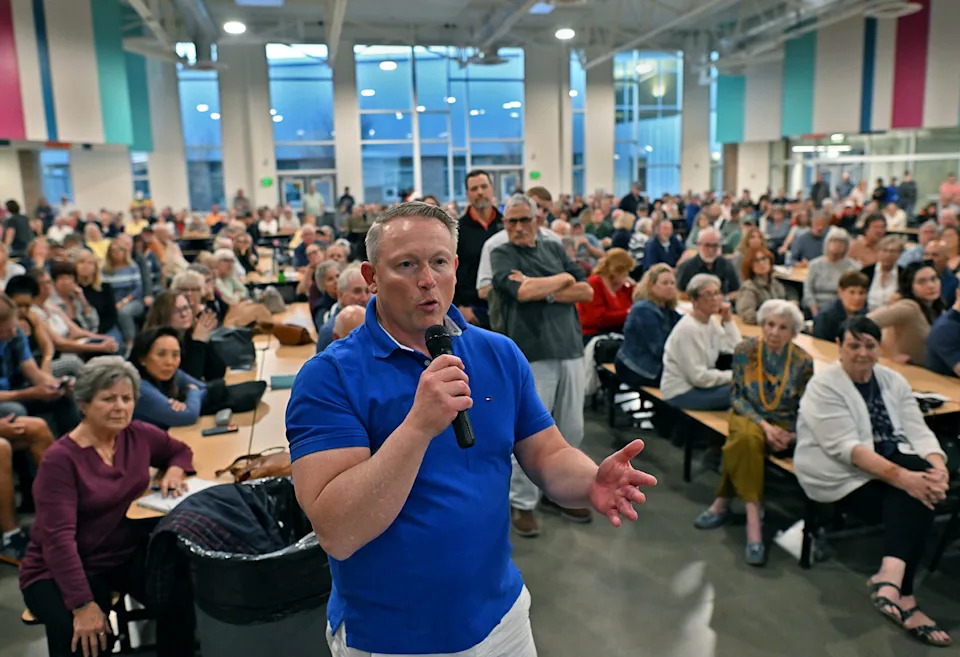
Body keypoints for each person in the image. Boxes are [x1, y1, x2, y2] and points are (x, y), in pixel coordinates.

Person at [286, 200, 655, 656]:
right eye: (406, 264)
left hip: (501, 621)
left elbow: (547, 454)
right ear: (371, 277)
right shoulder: (328, 377)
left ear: (456, 267)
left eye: (439, 262)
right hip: (391, 637)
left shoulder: (498, 354)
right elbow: (338, 531)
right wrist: (418, 426)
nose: (427, 279)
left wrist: (590, 481)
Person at [19, 356, 197, 656]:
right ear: (84, 404)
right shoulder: (60, 460)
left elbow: (180, 450)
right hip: (56, 568)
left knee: (181, 594)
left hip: (119, 555)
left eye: (127, 398)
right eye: (108, 398)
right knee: (84, 636)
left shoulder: (136, 434)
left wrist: (176, 469)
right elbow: (58, 542)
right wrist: (82, 605)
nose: (120, 406)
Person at [794, 316, 951, 647]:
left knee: (922, 486)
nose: (863, 354)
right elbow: (848, 450)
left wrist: (938, 468)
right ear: (839, 347)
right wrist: (907, 478)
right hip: (838, 473)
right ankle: (904, 594)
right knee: (915, 492)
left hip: (886, 460)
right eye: (854, 345)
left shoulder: (891, 379)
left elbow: (918, 430)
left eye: (870, 346)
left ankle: (892, 580)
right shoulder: (824, 386)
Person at [491, 194, 595, 536]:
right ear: (505, 225)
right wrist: (562, 279)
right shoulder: (502, 253)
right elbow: (520, 293)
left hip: (570, 347)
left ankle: (561, 491)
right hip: (531, 353)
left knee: (572, 428)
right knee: (531, 433)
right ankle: (522, 502)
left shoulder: (553, 248)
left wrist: (545, 287)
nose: (518, 227)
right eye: (511, 222)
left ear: (538, 220)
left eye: (524, 220)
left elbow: (586, 292)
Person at [694, 300, 813, 565]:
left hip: (784, 423)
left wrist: (792, 435)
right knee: (747, 437)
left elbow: (806, 406)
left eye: (783, 327)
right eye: (770, 324)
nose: (774, 332)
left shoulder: (803, 361)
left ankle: (722, 502)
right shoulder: (745, 350)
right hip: (748, 414)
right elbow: (736, 397)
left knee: (740, 445)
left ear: (793, 332)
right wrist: (764, 425)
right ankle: (753, 519)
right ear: (762, 325)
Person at [0, 292, 80, 437]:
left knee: (62, 396)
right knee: (15, 411)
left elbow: (33, 372)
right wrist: (28, 393)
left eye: (14, 326)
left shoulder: (16, 335)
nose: (12, 333)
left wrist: (54, 384)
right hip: (6, 398)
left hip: (13, 389)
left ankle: (75, 447)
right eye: (6, 330)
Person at [661, 274, 742, 410]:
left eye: (717, 293)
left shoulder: (710, 321)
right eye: (708, 295)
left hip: (699, 385)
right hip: (681, 391)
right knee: (743, 391)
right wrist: (733, 376)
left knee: (748, 386)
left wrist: (728, 320)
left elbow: (736, 349)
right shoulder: (688, 329)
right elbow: (698, 377)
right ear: (694, 300)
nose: (715, 299)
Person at [614, 264, 681, 389]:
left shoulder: (666, 308)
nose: (670, 287)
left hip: (654, 362)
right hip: (639, 366)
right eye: (665, 283)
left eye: (672, 283)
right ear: (651, 286)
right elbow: (658, 349)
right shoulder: (644, 310)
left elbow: (683, 326)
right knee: (684, 379)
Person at [868, 262, 945, 366]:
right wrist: (889, 353)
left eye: (934, 279)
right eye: (922, 282)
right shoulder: (908, 308)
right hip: (910, 372)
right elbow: (866, 322)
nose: (931, 285)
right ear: (910, 286)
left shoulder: (939, 309)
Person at [129, 327, 207, 429]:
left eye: (175, 355)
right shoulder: (138, 387)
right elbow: (188, 416)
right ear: (142, 359)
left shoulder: (172, 374)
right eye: (161, 354)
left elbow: (205, 389)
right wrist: (191, 391)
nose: (169, 362)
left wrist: (186, 398)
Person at [453, 170, 503, 328]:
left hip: (506, 308)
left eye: (483, 186)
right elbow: (448, 269)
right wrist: (458, 306)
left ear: (492, 189)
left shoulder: (507, 226)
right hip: (471, 312)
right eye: (474, 189)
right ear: (467, 194)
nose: (480, 192)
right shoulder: (456, 231)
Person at [144, 290, 224, 382]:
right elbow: (188, 381)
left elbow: (217, 374)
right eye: (176, 311)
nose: (184, 314)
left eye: (186, 308)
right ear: (163, 314)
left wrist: (205, 341)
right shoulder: (156, 340)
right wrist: (198, 343)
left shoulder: (192, 334)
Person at [576, 248, 634, 340]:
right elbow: (598, 319)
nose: (627, 275)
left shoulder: (621, 287)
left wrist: (632, 288)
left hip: (614, 332)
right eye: (625, 272)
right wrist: (629, 313)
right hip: (593, 335)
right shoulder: (594, 283)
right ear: (617, 270)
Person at [803, 227, 860, 317]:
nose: (837, 245)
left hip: (840, 310)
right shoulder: (814, 264)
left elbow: (852, 293)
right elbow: (808, 290)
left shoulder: (853, 267)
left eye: (841, 242)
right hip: (814, 308)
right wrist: (816, 313)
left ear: (846, 246)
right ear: (827, 243)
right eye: (833, 241)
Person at [101, 240, 146, 348]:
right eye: (112, 251)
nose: (116, 253)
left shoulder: (132, 267)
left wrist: (124, 301)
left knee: (123, 312)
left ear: (124, 252)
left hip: (133, 300)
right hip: (112, 301)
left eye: (118, 251)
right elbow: (105, 289)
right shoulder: (105, 270)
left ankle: (130, 342)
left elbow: (138, 289)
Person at [315, 266, 371, 353]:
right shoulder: (329, 332)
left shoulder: (377, 323)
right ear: (340, 295)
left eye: (367, 291)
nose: (364, 298)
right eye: (357, 291)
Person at [211, 249, 273, 327]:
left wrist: (237, 296)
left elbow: (245, 291)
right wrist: (237, 296)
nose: (230, 264)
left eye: (231, 261)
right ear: (216, 263)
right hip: (228, 317)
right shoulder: (215, 281)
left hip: (238, 310)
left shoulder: (229, 277)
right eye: (225, 261)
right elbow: (231, 300)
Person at [676, 227, 740, 296]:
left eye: (715, 245)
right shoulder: (687, 267)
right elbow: (679, 292)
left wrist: (723, 299)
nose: (711, 250)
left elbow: (737, 291)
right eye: (707, 245)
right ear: (698, 245)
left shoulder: (727, 265)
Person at [813, 271, 870, 342]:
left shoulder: (866, 314)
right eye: (852, 292)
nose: (857, 298)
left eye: (862, 293)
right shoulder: (826, 316)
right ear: (840, 292)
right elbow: (820, 343)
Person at [736, 246, 787, 325]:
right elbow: (747, 316)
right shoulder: (749, 287)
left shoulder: (776, 284)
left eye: (764, 259)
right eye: (756, 261)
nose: (761, 263)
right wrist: (773, 317)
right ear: (750, 266)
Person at [861, 235, 902, 310]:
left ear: (899, 254)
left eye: (892, 251)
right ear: (877, 252)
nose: (888, 255)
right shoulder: (866, 272)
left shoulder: (904, 274)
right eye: (884, 250)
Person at [311, 260, 341, 326]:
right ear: (322, 285)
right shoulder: (321, 308)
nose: (336, 281)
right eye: (330, 279)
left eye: (338, 276)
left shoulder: (348, 299)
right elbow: (325, 332)